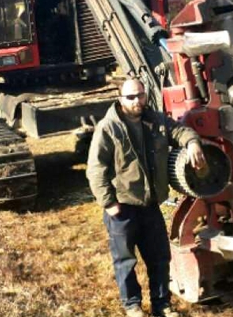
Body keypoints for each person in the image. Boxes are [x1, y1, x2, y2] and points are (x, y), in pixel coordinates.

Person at [87, 78, 206, 317]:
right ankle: (132, 305)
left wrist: (192, 143)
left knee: (159, 258)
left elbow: (180, 131)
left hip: (150, 205)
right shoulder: (109, 128)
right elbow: (95, 168)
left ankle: (162, 305)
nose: (137, 101)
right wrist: (109, 203)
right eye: (130, 97)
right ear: (120, 98)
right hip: (122, 207)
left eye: (140, 95)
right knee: (125, 261)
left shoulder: (156, 120)